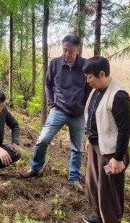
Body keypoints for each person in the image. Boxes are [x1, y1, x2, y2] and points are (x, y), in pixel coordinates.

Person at [21, 35, 91, 190]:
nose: (67, 54)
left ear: (78, 50)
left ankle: (73, 176)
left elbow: (89, 88)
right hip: (58, 110)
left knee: (77, 147)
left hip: (78, 113)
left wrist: (83, 105)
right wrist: (52, 102)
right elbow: (48, 84)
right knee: (43, 140)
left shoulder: (85, 66)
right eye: (65, 50)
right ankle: (35, 168)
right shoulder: (55, 64)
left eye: (71, 51)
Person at [82, 56, 130, 223]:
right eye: (86, 77)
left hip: (110, 152)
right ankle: (98, 216)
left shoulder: (118, 95)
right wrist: (89, 137)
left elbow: (125, 129)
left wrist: (118, 158)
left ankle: (111, 220)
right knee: (93, 184)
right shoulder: (96, 91)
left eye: (90, 77)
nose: (88, 81)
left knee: (108, 190)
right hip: (96, 147)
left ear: (101, 74)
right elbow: (92, 116)